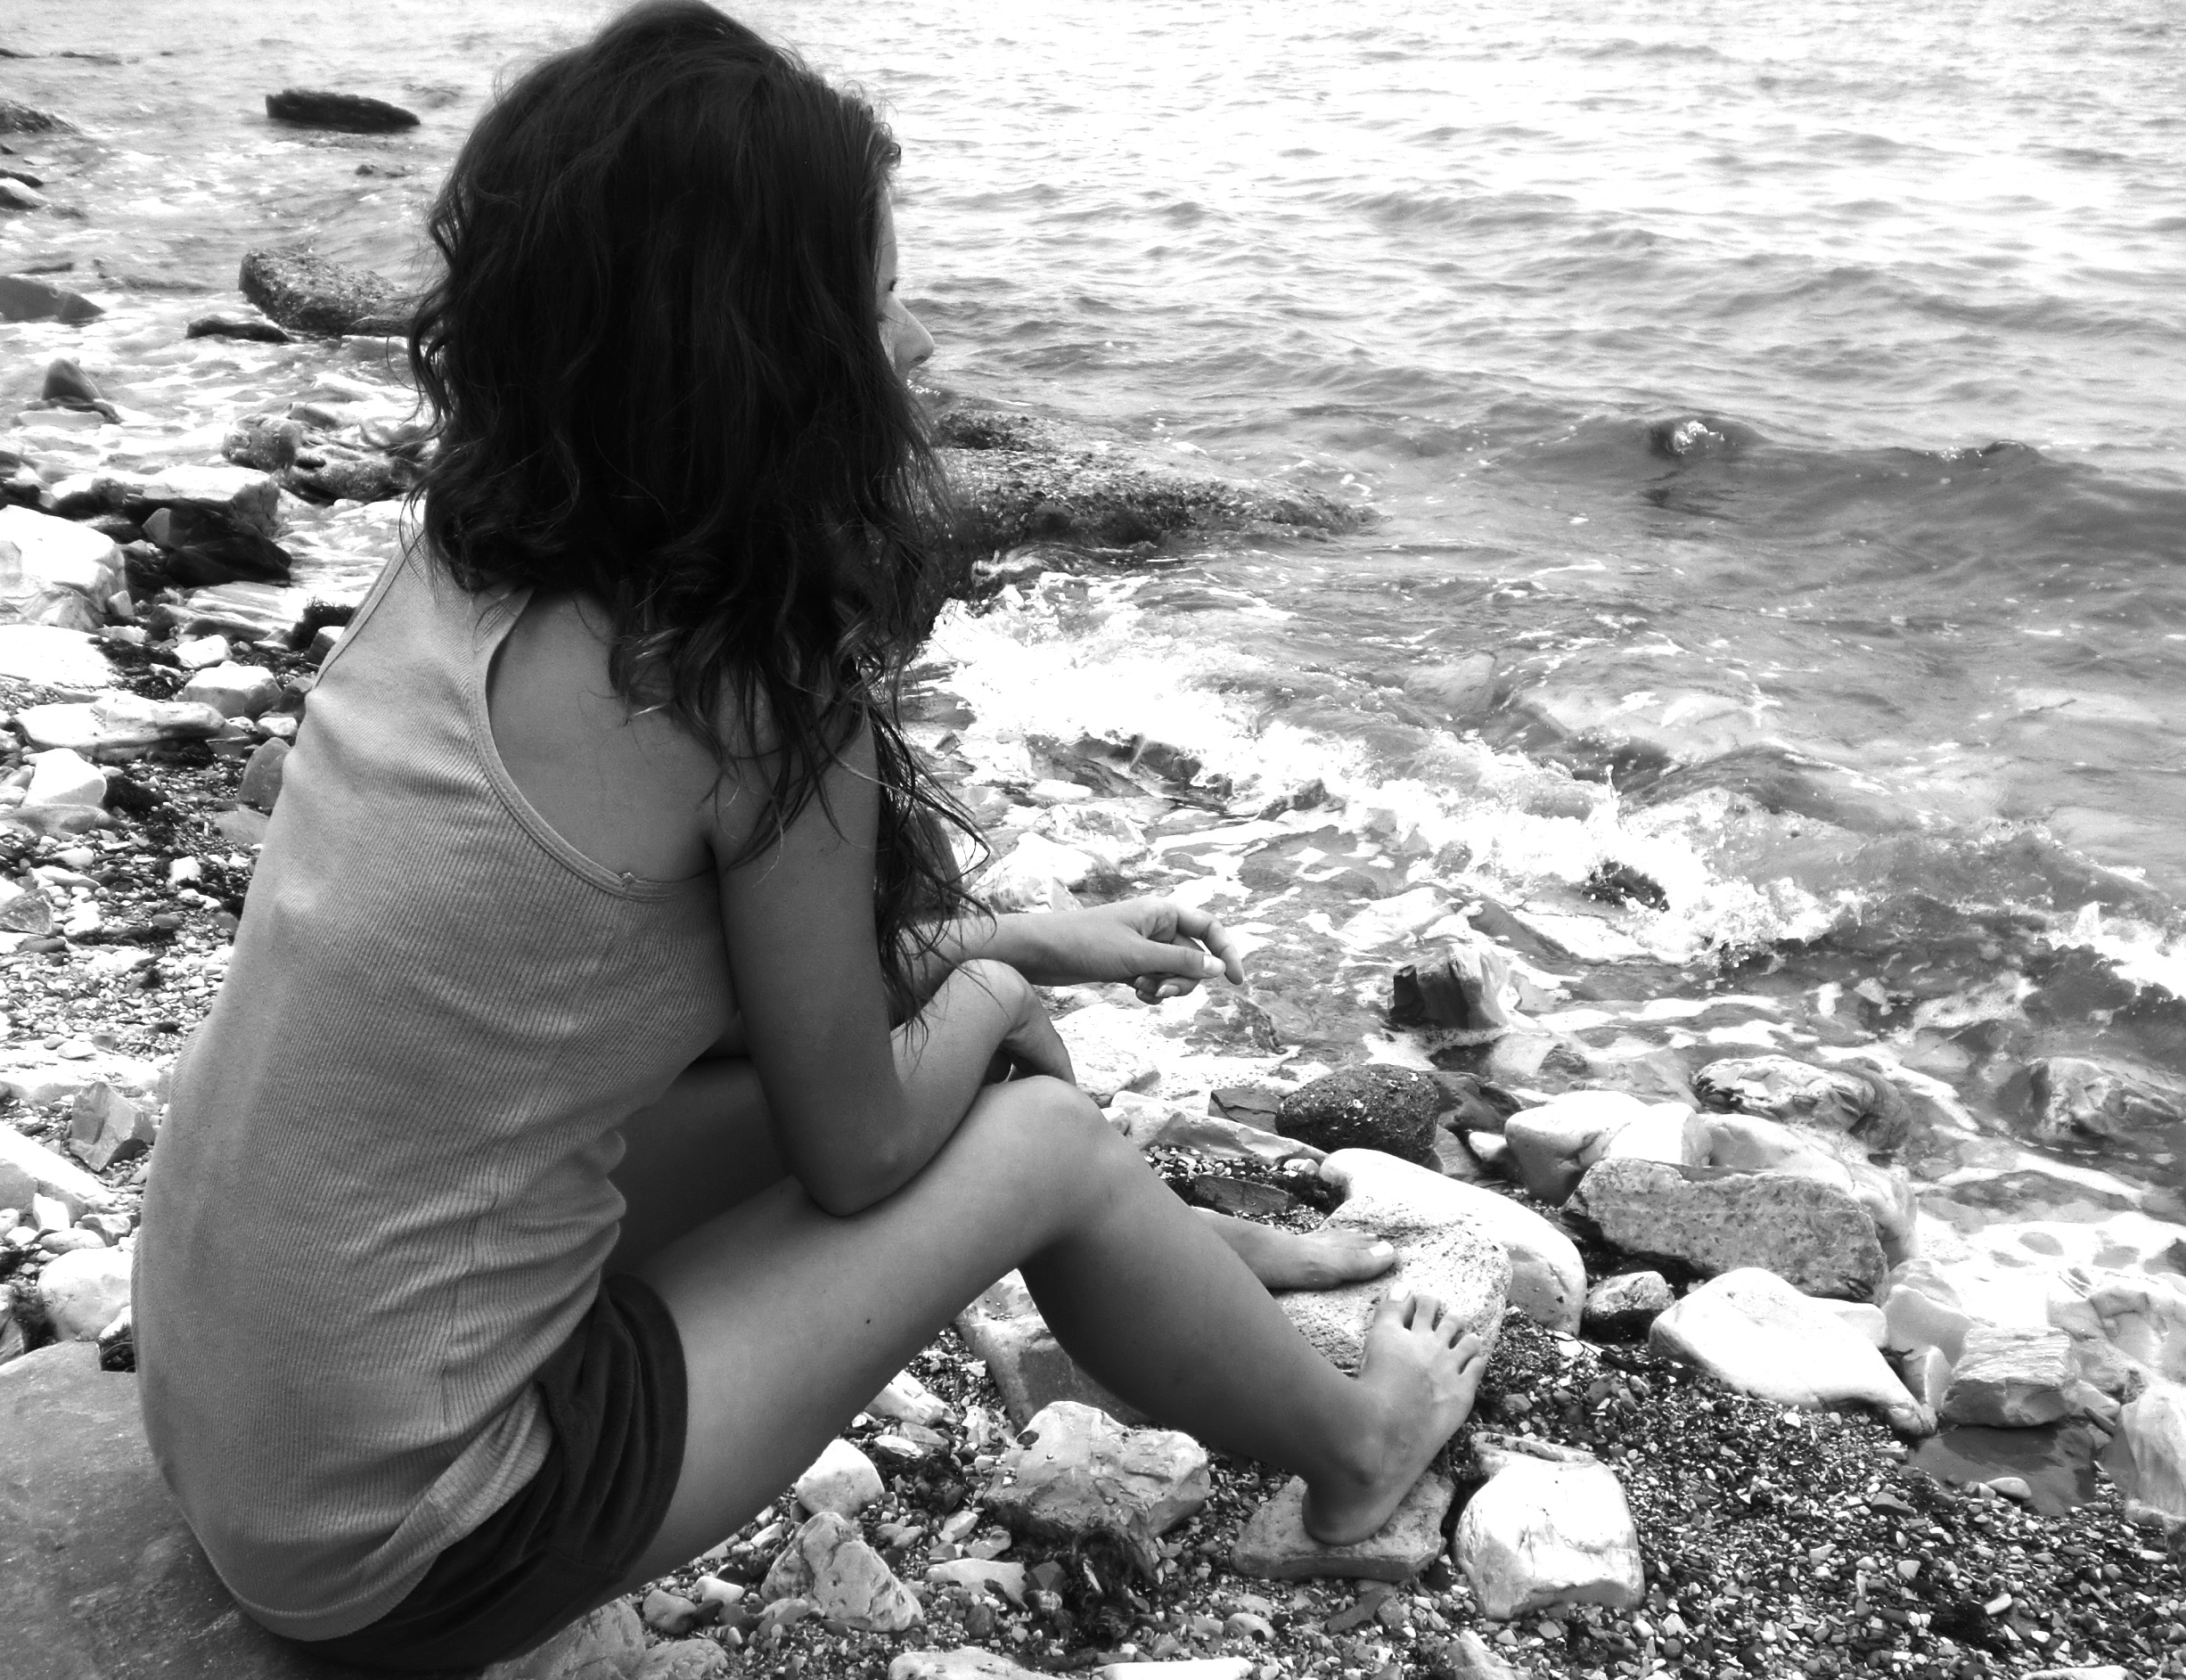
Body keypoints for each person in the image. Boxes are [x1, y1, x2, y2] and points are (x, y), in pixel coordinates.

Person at [132, 2, 1488, 1668]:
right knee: (1031, 1130)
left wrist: (1009, 941)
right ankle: (1357, 1448)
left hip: (239, 1407)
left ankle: (1185, 1261)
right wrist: (996, 987)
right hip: (414, 1532)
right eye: (877, 299)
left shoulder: (460, 568)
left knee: (974, 1033)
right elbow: (853, 1145)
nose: (912, 346)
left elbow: (677, 999)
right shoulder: (743, 694)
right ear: (759, 359)